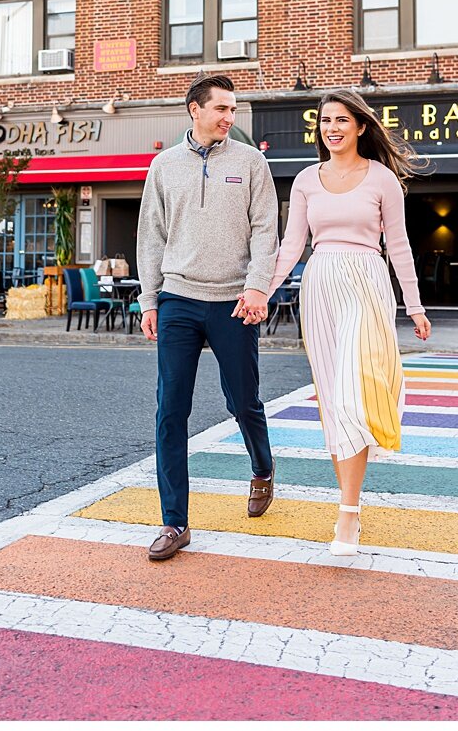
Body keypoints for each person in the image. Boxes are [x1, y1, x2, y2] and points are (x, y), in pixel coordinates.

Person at [265, 89, 432, 557]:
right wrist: (262, 292)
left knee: (356, 390)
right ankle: (349, 507)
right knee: (334, 398)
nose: (332, 128)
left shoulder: (382, 179)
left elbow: (398, 245)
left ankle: (348, 515)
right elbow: (291, 246)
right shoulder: (305, 181)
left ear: (361, 126)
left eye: (341, 119)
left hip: (367, 282)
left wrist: (414, 306)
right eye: (325, 120)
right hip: (320, 285)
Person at [137, 74, 278, 562]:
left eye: (234, 110)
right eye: (221, 109)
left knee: (243, 399)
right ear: (194, 109)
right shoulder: (163, 166)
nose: (229, 117)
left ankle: (262, 468)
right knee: (170, 411)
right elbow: (151, 236)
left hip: (233, 302)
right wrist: (149, 299)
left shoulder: (250, 161)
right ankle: (174, 522)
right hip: (177, 298)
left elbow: (265, 230)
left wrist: (258, 285)